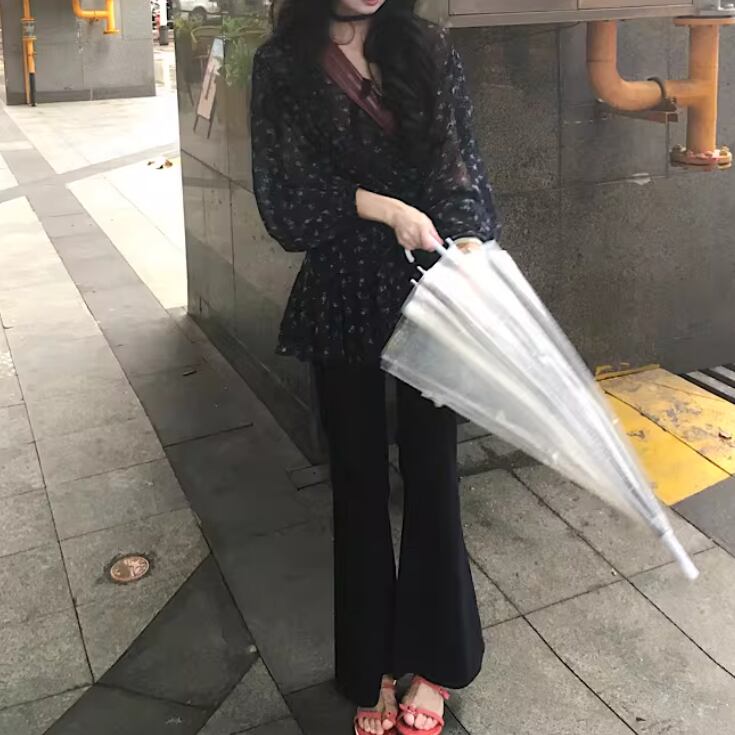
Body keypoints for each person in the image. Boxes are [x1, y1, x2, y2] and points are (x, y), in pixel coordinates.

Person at [250, 1, 497, 733]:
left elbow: (458, 166)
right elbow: (285, 201)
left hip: (430, 288)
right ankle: (371, 668)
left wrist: (467, 243)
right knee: (357, 483)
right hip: (342, 293)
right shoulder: (283, 63)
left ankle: (439, 659)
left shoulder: (426, 47)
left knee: (432, 472)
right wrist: (383, 207)